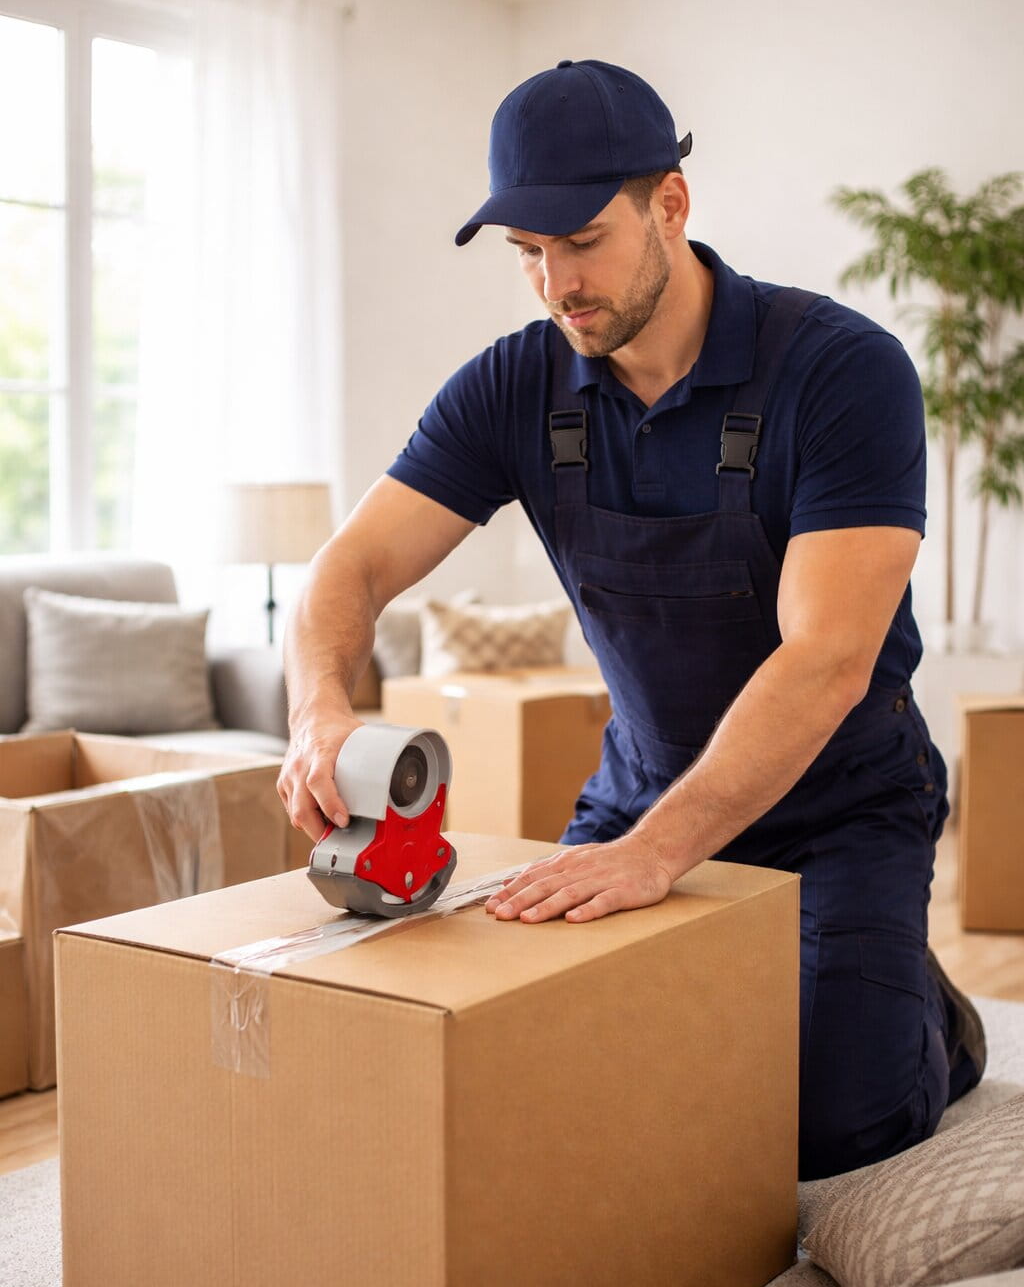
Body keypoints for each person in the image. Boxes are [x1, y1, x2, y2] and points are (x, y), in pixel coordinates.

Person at [278, 58, 985, 1179]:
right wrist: (317, 709)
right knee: (566, 1069)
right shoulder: (514, 386)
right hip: (638, 792)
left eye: (582, 240)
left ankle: (923, 1009)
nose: (556, 284)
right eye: (527, 252)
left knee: (832, 1127)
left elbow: (828, 658)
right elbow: (349, 568)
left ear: (670, 204)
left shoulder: (843, 372)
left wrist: (660, 857)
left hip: (841, 804)